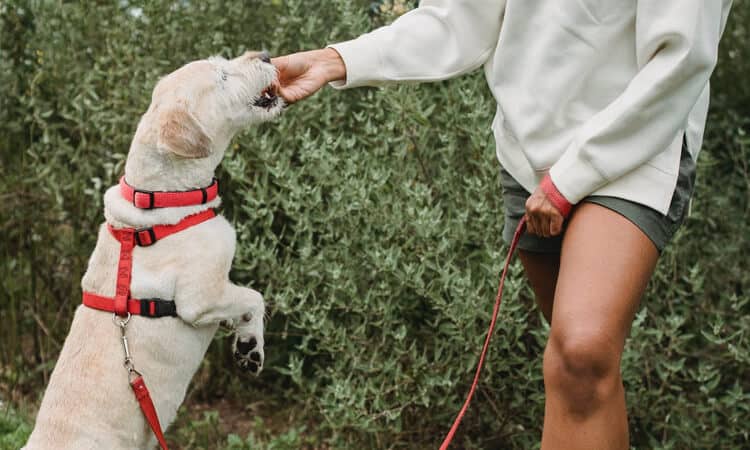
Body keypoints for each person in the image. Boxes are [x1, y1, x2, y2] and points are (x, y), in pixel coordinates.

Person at [271, 1, 734, 448]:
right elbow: (457, 21)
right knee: (585, 374)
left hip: (636, 146)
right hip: (530, 157)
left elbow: (683, 56)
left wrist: (575, 175)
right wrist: (336, 59)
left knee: (582, 353)